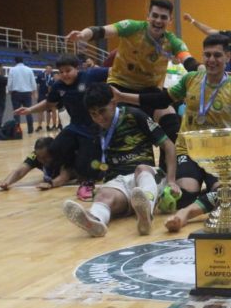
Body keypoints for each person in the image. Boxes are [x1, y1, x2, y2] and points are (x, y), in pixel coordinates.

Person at [112, 34, 231, 211]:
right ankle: (161, 181)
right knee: (185, 198)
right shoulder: (191, 79)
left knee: (224, 197)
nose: (211, 60)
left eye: (217, 55)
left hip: (218, 155)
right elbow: (161, 99)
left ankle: (191, 190)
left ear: (227, 57)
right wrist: (122, 96)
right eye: (207, 55)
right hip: (188, 150)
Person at [66, 0, 197, 146]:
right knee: (109, 121)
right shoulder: (132, 27)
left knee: (171, 122)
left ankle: (166, 166)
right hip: (118, 86)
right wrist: (83, 35)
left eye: (163, 17)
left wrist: (200, 68)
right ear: (148, 16)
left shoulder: (172, 41)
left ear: (170, 20)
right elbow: (103, 30)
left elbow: (187, 59)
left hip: (148, 92)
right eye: (154, 15)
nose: (158, 20)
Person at [62, 83, 178, 237]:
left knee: (141, 170)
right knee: (103, 195)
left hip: (147, 177)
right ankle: (95, 221)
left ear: (113, 102)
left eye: (102, 111)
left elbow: (169, 145)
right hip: (119, 183)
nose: (99, 118)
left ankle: (146, 211)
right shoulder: (95, 128)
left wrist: (171, 180)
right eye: (93, 114)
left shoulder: (135, 115)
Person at [14, 54, 107, 201]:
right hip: (75, 126)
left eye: (68, 70)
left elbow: (116, 71)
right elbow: (49, 103)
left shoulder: (90, 75)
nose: (64, 74)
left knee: (86, 164)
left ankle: (89, 177)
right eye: (61, 72)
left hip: (93, 128)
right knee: (55, 148)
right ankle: (69, 170)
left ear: (77, 68)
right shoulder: (58, 86)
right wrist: (29, 110)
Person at [0, 137, 73, 190]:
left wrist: (50, 184)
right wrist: (7, 182)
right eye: (39, 157)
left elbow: (64, 177)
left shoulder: (62, 154)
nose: (42, 160)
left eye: (45, 157)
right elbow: (20, 171)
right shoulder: (35, 155)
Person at [7, 56, 37, 134]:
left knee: (16, 112)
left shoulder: (12, 70)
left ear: (15, 61)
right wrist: (34, 91)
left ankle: (17, 130)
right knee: (28, 111)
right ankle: (30, 129)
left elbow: (10, 82)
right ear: (23, 61)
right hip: (27, 93)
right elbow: (33, 82)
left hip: (16, 93)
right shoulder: (29, 69)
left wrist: (9, 90)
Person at [35, 65, 55, 132]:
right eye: (48, 68)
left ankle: (48, 125)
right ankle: (39, 125)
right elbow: (37, 84)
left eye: (50, 69)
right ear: (45, 69)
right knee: (40, 111)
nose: (49, 70)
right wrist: (37, 93)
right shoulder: (40, 75)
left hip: (50, 95)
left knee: (48, 111)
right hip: (41, 95)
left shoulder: (53, 76)